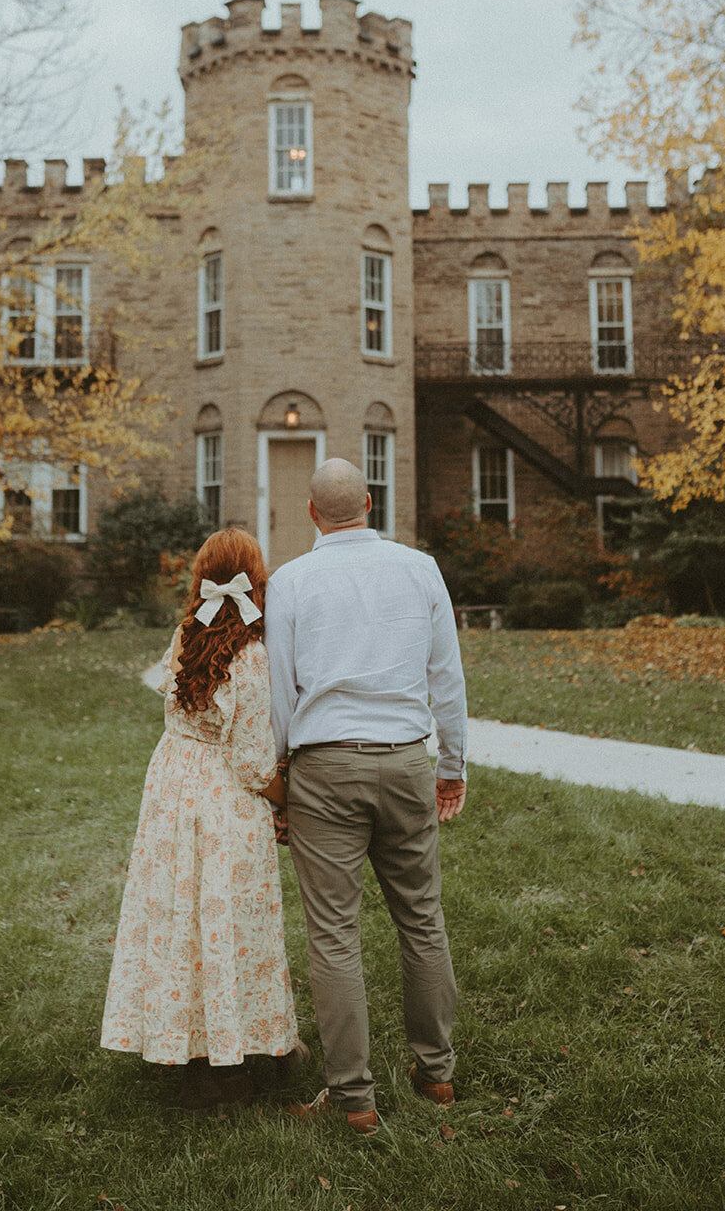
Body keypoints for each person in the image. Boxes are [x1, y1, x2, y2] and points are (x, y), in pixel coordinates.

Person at [264, 458, 467, 1136]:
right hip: (408, 761)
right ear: (370, 504)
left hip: (325, 767)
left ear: (312, 513)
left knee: (333, 936)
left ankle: (354, 1100)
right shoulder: (419, 569)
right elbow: (447, 674)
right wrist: (453, 763)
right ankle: (435, 1073)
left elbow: (280, 695)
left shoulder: (290, 581)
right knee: (421, 919)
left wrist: (279, 778)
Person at [100, 526, 303, 1110]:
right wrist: (289, 800)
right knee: (228, 917)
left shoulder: (187, 633)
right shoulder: (253, 655)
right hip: (221, 800)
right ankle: (223, 1065)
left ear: (200, 580)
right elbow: (249, 758)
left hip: (171, 790)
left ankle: (184, 1040)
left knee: (179, 917)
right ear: (255, 580)